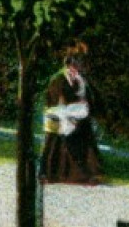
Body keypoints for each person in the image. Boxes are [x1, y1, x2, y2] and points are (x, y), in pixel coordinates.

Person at [40, 44, 105, 185]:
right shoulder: (58, 80)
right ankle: (49, 173)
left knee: (85, 133)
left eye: (79, 66)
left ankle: (88, 174)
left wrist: (84, 109)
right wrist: (69, 114)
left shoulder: (81, 81)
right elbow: (56, 101)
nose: (77, 69)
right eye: (74, 65)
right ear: (69, 64)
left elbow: (88, 97)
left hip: (78, 115)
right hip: (60, 115)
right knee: (56, 137)